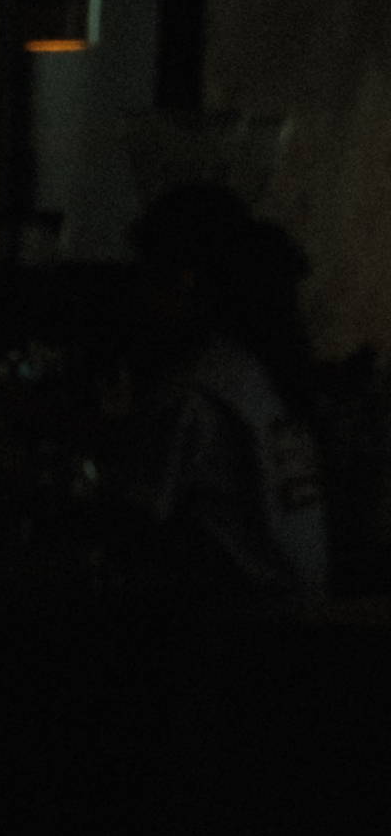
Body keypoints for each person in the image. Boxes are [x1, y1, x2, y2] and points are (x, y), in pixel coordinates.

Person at [115, 184, 330, 603]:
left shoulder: (194, 393)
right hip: (301, 619)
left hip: (246, 628)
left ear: (183, 280)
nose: (137, 296)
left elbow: (129, 523)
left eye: (147, 274)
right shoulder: (258, 372)